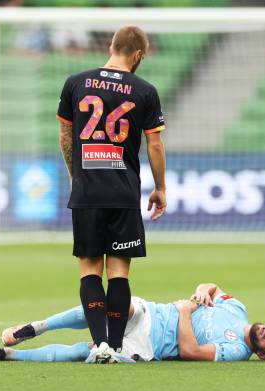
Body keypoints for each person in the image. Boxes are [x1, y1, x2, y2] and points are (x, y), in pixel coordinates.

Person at [56, 26, 167, 363]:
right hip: (123, 194)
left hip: (87, 192)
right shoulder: (144, 90)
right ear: (138, 55)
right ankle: (116, 348)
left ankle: (100, 344)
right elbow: (155, 144)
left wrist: (77, 177)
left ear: (111, 46)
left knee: (90, 269)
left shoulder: (76, 82)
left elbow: (65, 135)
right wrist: (160, 188)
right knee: (119, 271)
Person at [0, 283, 265, 363]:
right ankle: (36, 327)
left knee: (88, 350)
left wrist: (184, 312)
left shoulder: (236, 350)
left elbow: (191, 352)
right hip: (152, 312)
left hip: (150, 345)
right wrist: (201, 290)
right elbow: (212, 287)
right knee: (117, 305)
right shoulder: (237, 308)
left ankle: (5, 355)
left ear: (264, 355)